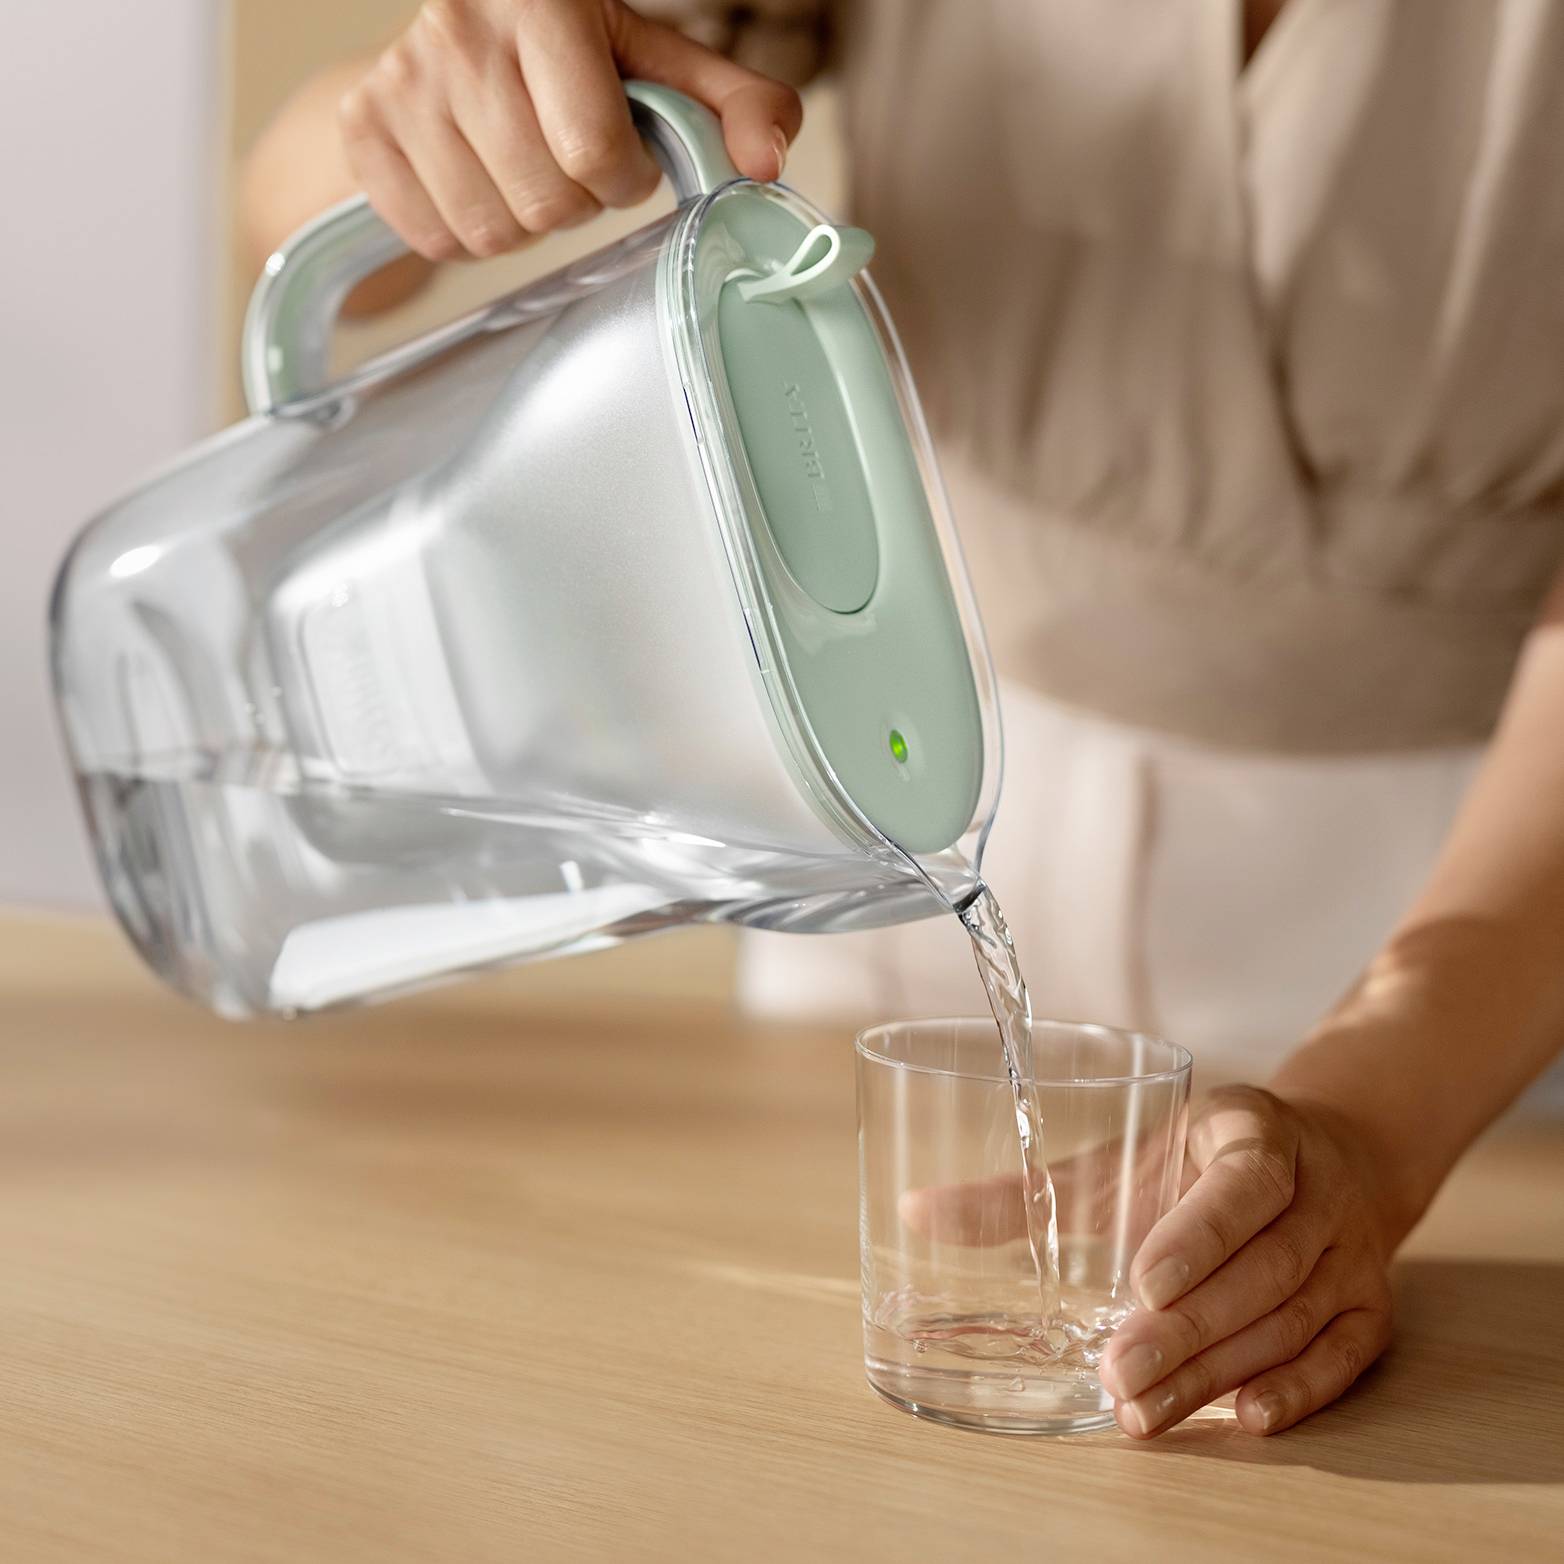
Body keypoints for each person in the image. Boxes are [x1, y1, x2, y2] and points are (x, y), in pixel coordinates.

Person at [242, 0, 1564, 1442]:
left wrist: (1378, 1122)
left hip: (1476, 898)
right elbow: (291, 213)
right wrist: (447, 101)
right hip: (891, 790)